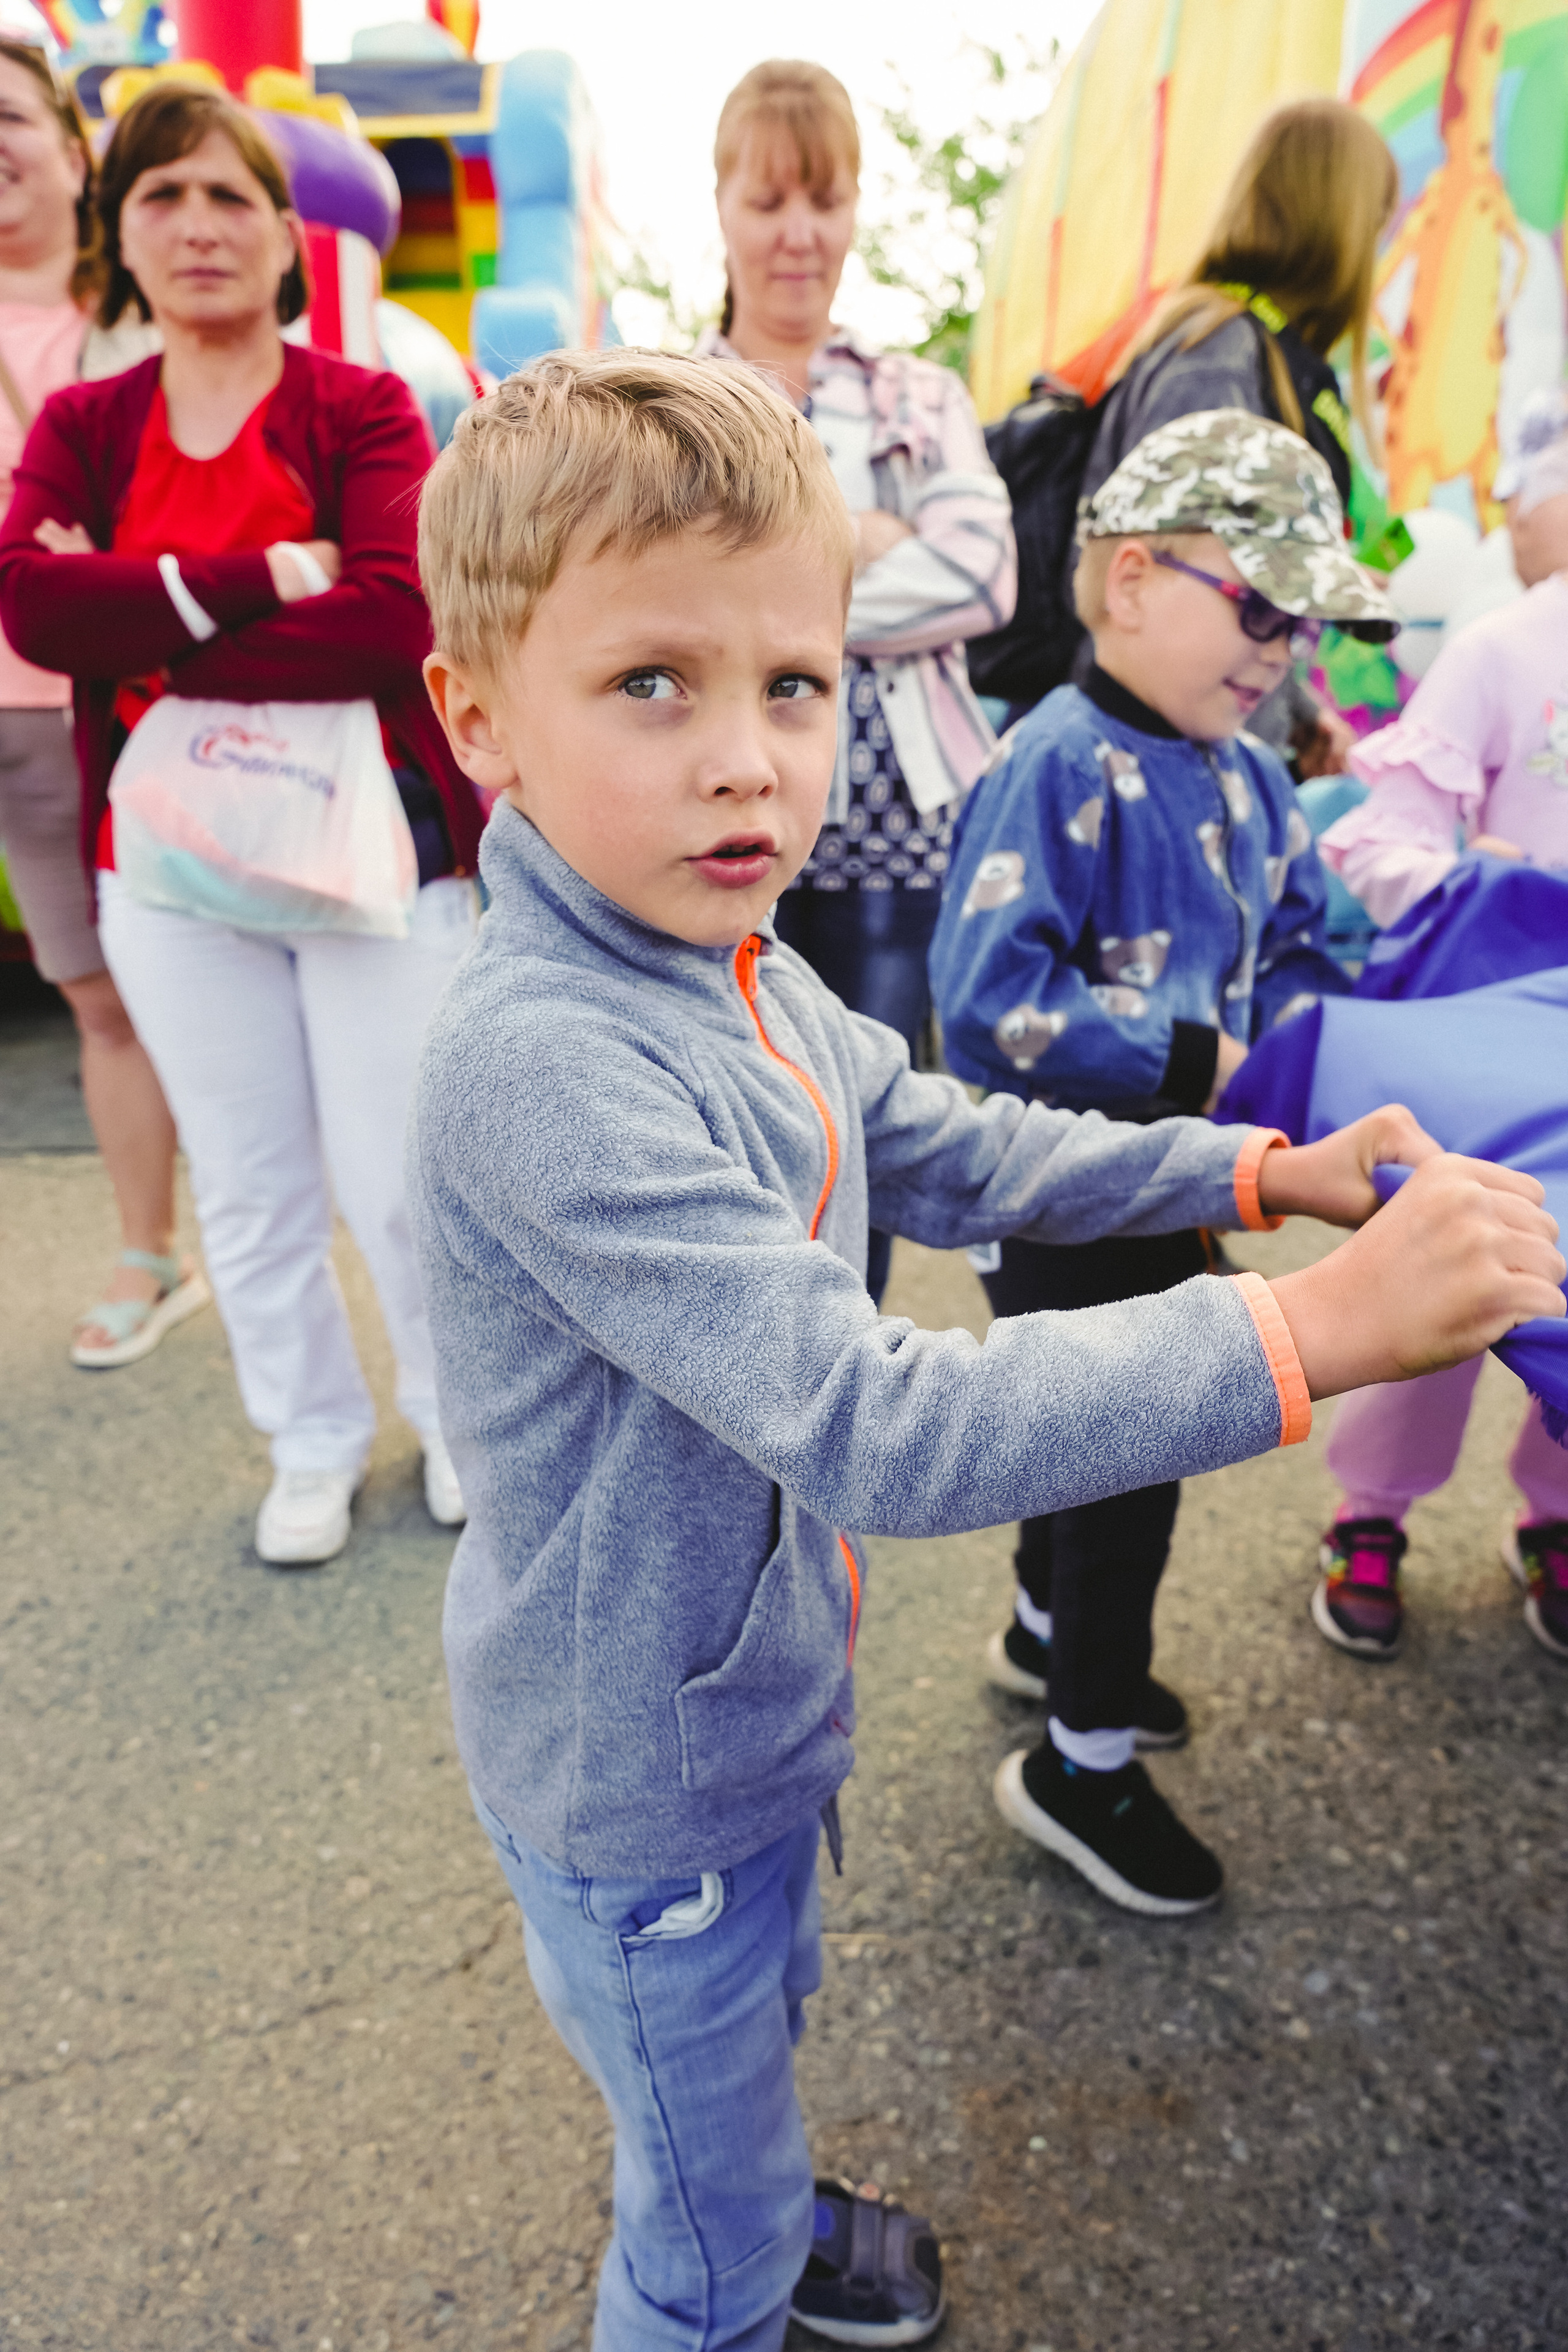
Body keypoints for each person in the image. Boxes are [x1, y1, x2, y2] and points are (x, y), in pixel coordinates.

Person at [406, 348, 1562, 2350]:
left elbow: (943, 1138)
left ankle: (751, 2185)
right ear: (478, 715)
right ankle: (725, 2266)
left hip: (745, 1711)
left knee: (738, 2037)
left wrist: (1263, 1164)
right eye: (652, 685)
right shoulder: (546, 1064)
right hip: (645, 1783)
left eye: (794, 681)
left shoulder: (718, 960)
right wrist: (1309, 1333)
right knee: (690, 2235)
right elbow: (878, 1420)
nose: (751, 757)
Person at [0, 84, 486, 1566]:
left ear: (288, 235)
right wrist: (271, 579)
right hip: (167, 867)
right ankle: (310, 1440)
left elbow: (396, 617)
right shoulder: (88, 422)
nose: (199, 227)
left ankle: (459, 1418)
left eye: (231, 198)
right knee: (251, 1179)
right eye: (163, 197)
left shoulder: (360, 406)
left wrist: (141, 619)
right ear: (119, 231)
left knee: (402, 1173)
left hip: (379, 850)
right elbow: (29, 601)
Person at [930, 410, 1403, 1915]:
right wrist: (1199, 1063)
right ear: (1130, 578)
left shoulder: (1251, 778)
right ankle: (1076, 1759)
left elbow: (1320, 943)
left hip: (1189, 1181)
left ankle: (1033, 1625)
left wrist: (1421, 973)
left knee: (1081, 1445)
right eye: (1252, 605)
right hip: (1056, 1184)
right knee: (1125, 1462)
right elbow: (987, 1002)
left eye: (1298, 623)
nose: (1276, 651)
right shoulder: (1050, 765)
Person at [699, 59, 1015, 1300]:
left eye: (823, 201)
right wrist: (869, 538)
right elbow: (647, 598)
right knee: (726, 1130)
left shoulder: (915, 391)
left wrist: (762, 595)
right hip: (722, 815)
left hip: (895, 843)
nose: (797, 235)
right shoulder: (672, 398)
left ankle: (838, 1405)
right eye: (769, 200)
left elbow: (985, 576)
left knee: (856, 1134)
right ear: (719, 203)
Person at [1310, 404, 1568, 1663]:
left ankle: (1557, 1509)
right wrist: (1484, 892)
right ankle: (1368, 1512)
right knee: (1448, 1276)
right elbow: (1374, 838)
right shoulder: (1501, 650)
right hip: (1482, 1044)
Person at [0, 36, 199, 1369]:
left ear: (76, 150)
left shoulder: (140, 317)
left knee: (115, 994)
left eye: (9, 116)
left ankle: (153, 1249)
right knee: (91, 988)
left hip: (78, 704)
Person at [1079, 97, 1400, 775]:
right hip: (1151, 761)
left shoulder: (1264, 355)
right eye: (1376, 226)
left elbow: (1244, 584)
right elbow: (1185, 575)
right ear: (1340, 222)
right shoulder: (1217, 355)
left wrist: (1297, 715)